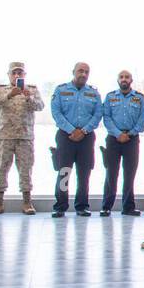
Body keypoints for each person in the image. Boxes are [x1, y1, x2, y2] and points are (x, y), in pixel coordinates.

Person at [0, 62, 44, 215]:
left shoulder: (32, 90)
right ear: (9, 75)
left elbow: (40, 106)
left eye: (20, 73)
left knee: (26, 170)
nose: (17, 75)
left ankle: (27, 202)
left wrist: (28, 97)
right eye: (14, 73)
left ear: (24, 75)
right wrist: (9, 95)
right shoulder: (1, 90)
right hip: (4, 136)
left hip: (24, 137)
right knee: (1, 169)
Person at [49, 62, 102, 217]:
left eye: (86, 72)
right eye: (80, 71)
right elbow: (56, 112)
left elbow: (98, 114)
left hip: (86, 137)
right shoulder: (61, 90)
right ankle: (60, 206)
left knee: (84, 173)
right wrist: (72, 130)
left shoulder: (94, 93)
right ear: (73, 72)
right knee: (64, 172)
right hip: (66, 137)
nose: (83, 74)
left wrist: (83, 131)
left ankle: (82, 206)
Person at [100, 70, 144, 217]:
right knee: (111, 174)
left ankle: (128, 207)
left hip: (131, 139)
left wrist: (130, 134)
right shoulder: (110, 97)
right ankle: (106, 206)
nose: (124, 79)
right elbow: (106, 117)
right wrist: (118, 134)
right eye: (121, 77)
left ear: (131, 80)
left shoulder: (139, 98)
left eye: (127, 77)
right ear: (118, 80)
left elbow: (143, 119)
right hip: (113, 139)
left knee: (129, 174)